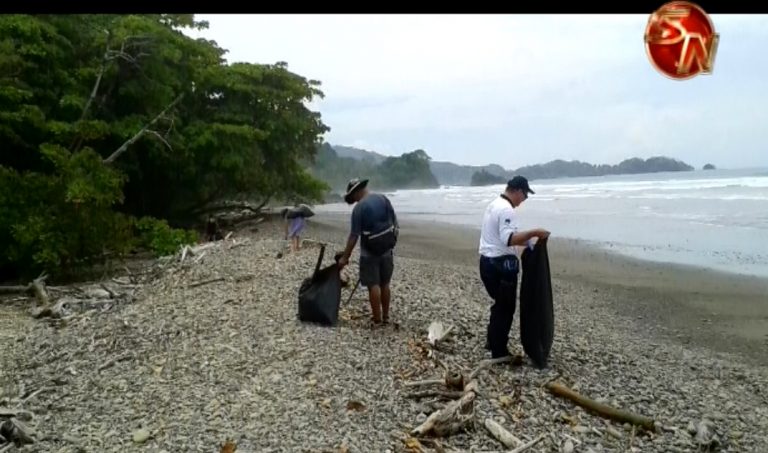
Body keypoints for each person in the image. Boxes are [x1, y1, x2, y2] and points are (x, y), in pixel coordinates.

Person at [479, 176, 550, 359]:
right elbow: (508, 239)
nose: (524, 200)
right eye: (525, 195)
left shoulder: (494, 204)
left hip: (486, 262)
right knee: (505, 308)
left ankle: (492, 340)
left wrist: (529, 244)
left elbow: (501, 237)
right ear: (517, 190)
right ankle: (498, 350)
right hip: (500, 266)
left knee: (499, 304)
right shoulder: (506, 210)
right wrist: (535, 232)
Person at [337, 178, 399, 328]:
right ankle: (385, 317)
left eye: (353, 197)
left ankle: (376, 319)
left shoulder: (359, 209)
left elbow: (354, 236)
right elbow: (395, 222)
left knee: (374, 285)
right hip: (386, 249)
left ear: (357, 192)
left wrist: (345, 257)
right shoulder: (383, 198)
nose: (354, 200)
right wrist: (391, 241)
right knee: (385, 284)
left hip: (369, 252)